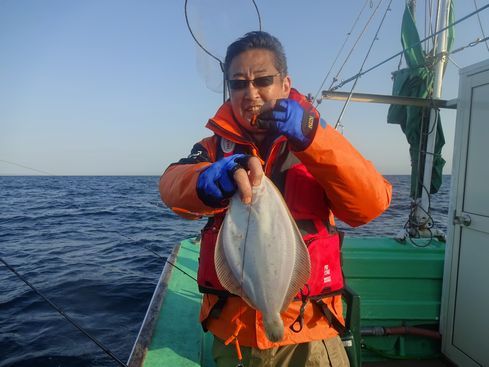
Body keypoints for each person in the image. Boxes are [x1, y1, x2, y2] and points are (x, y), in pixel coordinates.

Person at [160, 31, 392, 367]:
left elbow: (371, 203)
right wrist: (206, 182)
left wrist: (314, 138)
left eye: (263, 80)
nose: (250, 93)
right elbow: (170, 185)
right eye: (238, 83)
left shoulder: (320, 143)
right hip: (235, 338)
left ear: (285, 84)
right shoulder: (213, 149)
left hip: (309, 334)